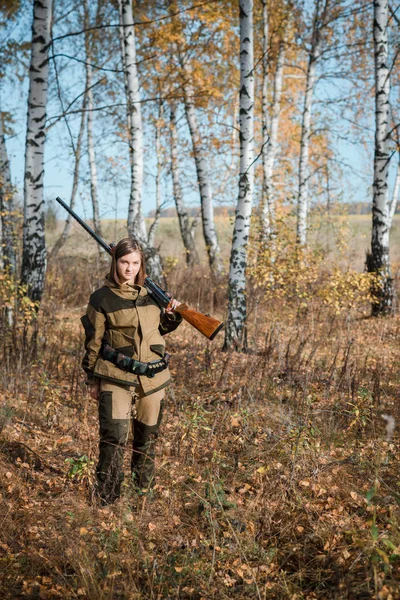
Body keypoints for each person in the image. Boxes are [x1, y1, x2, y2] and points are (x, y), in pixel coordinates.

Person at [81, 237, 182, 504]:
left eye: (135, 263)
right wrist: (92, 378)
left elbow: (158, 331)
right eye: (124, 262)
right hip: (116, 377)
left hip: (153, 379)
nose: (129, 268)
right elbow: (93, 341)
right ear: (115, 262)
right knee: (114, 439)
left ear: (141, 264)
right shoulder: (101, 298)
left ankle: (142, 499)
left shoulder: (151, 296)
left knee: (147, 440)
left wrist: (174, 314)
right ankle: (107, 499)